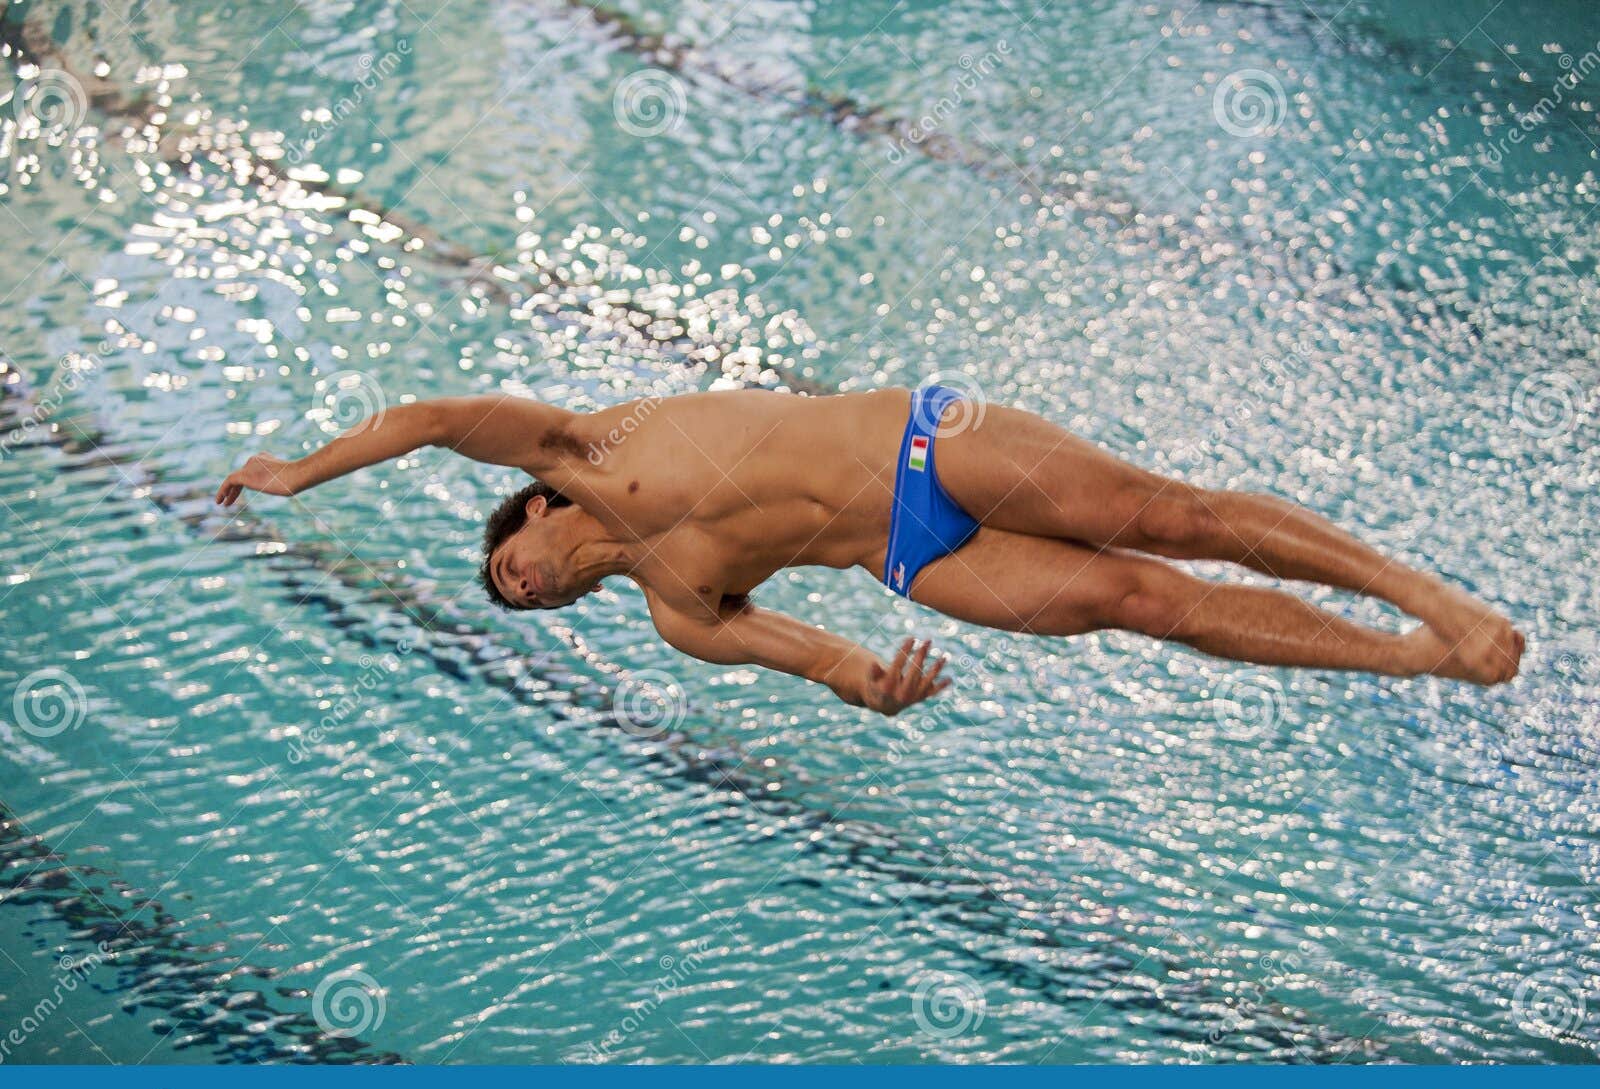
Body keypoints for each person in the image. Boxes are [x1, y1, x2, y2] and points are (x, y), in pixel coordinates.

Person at [216, 386, 1523, 716]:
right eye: (517, 600)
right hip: (906, 557)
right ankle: (1415, 659)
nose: (525, 581)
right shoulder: (682, 610)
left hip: (913, 445)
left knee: (1162, 515)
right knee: (1144, 603)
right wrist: (874, 688)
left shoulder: (582, 450)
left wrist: (299, 468)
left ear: (533, 516)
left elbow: (436, 419)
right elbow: (826, 661)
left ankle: (1426, 593)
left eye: (511, 561)